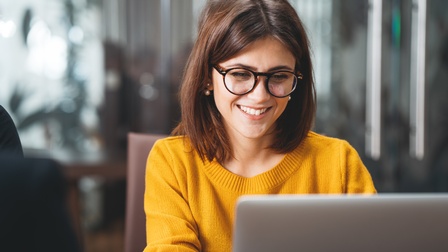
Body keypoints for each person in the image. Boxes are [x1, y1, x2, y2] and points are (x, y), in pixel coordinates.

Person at [144, 0, 377, 251]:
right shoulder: (173, 162)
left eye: (278, 76)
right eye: (240, 74)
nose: (260, 96)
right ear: (207, 79)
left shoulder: (339, 164)